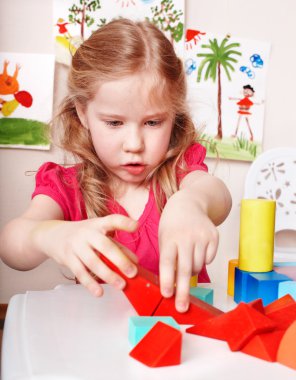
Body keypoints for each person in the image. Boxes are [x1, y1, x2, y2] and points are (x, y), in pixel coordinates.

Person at [0, 19, 232, 313]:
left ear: (173, 115)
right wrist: (48, 234)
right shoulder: (68, 186)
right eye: (114, 123)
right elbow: (11, 243)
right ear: (83, 113)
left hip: (187, 336)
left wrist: (191, 202)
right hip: (101, 340)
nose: (134, 143)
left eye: (152, 122)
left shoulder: (181, 173)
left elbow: (217, 195)